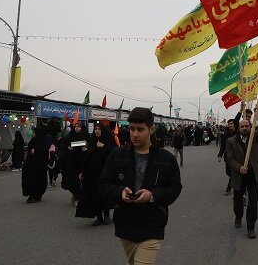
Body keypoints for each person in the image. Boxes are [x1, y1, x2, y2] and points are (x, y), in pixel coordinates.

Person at [100, 107, 181, 265]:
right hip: (125, 224)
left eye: (140, 129)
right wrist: (119, 193)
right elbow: (103, 184)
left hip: (153, 224)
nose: (135, 134)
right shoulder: (117, 155)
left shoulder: (166, 158)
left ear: (151, 129)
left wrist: (153, 196)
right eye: (132, 129)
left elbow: (174, 189)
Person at [227, 118, 258, 239]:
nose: (244, 128)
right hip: (239, 175)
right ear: (238, 128)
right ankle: (238, 217)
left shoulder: (254, 138)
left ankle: (251, 226)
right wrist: (239, 167)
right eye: (242, 126)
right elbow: (229, 158)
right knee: (238, 200)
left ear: (250, 127)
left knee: (253, 200)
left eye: (247, 126)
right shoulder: (231, 141)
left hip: (252, 175)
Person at [76, 123, 116, 226]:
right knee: (95, 194)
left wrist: (104, 146)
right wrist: (82, 171)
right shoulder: (92, 141)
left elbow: (115, 153)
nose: (97, 131)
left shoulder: (108, 140)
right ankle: (99, 217)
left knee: (104, 194)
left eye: (99, 129)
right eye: (95, 129)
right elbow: (88, 158)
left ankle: (106, 215)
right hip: (93, 173)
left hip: (105, 174)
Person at [60, 121, 89, 206]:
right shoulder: (70, 135)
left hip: (81, 163)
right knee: (69, 181)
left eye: (79, 127)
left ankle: (78, 197)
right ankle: (76, 195)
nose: (77, 128)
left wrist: (86, 148)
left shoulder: (86, 136)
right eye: (75, 126)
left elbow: (90, 146)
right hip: (71, 162)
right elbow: (63, 143)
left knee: (80, 181)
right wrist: (67, 147)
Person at [21, 128, 48, 203]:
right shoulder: (32, 141)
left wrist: (36, 150)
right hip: (30, 164)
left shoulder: (42, 142)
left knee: (37, 180)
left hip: (39, 166)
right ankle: (31, 195)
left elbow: (44, 151)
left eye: (34, 132)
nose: (33, 134)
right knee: (29, 179)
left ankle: (36, 195)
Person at [217, 119, 237, 195]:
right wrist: (220, 155)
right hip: (228, 157)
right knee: (228, 172)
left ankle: (228, 188)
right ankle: (234, 181)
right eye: (229, 124)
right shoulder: (226, 134)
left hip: (236, 157)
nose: (230, 125)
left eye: (231, 123)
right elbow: (223, 146)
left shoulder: (238, 133)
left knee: (232, 173)